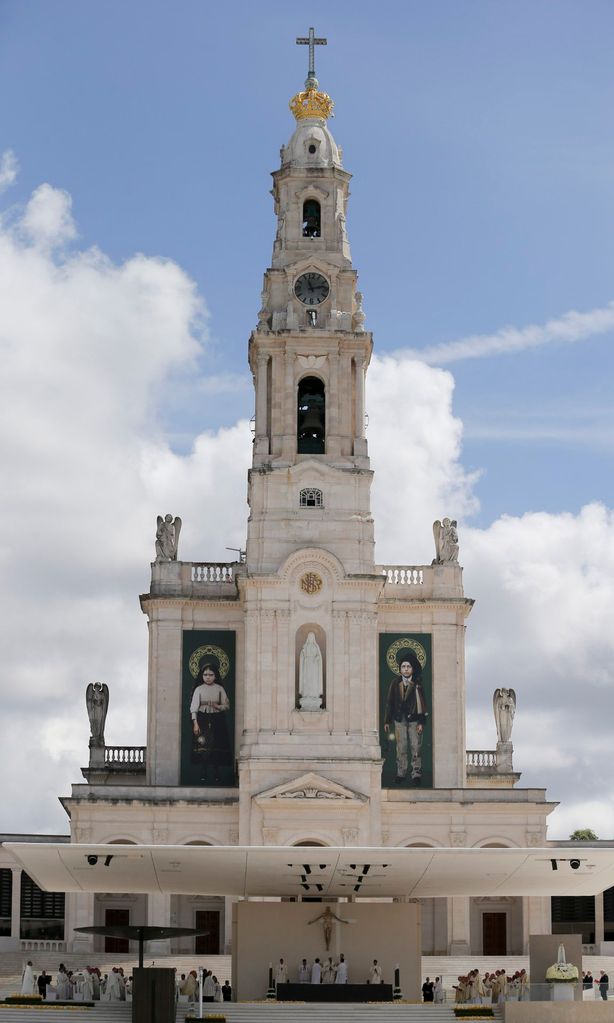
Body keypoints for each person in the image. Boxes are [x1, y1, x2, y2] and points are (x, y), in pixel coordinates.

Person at [384, 649, 428, 784]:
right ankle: (401, 772)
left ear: (412, 669)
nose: (406, 669)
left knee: (416, 746)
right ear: (400, 669)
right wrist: (387, 720)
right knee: (401, 747)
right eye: (403, 666)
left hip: (414, 719)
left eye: (408, 666)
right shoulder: (394, 683)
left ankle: (416, 773)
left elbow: (422, 704)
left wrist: (421, 722)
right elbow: (389, 702)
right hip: (399, 720)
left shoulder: (418, 684)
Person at [190, 659, 231, 782]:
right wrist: (195, 723)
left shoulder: (219, 689)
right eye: (205, 675)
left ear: (215, 676)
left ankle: (217, 772)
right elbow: (193, 707)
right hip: (202, 719)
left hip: (217, 719)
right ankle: (203, 771)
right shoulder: (198, 689)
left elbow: (227, 705)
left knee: (216, 746)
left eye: (211, 675)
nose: (208, 677)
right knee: (203, 746)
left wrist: (219, 707)